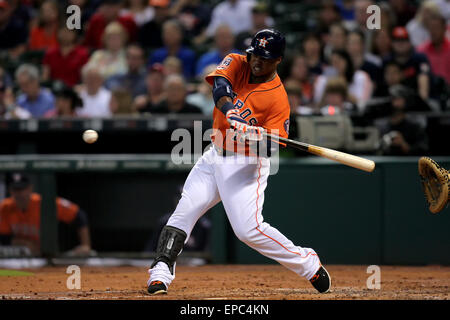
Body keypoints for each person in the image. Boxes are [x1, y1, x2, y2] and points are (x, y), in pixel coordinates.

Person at [146, 29, 331, 295]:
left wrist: (255, 137)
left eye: (265, 58)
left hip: (245, 164)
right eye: (255, 55)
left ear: (278, 60)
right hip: (215, 155)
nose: (256, 62)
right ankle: (160, 272)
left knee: (248, 231)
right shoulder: (237, 61)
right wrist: (230, 111)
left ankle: (308, 264)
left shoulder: (278, 99)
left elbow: (271, 148)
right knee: (186, 209)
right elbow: (220, 87)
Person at [0, 173, 92, 256]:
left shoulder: (44, 203)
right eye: (15, 189)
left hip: (48, 255)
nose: (20, 193)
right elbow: (4, 238)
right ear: (10, 191)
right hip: (20, 256)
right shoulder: (4, 207)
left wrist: (85, 245)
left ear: (30, 188)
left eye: (22, 189)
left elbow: (79, 215)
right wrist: (25, 243)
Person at [384, 26, 432, 100]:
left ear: (409, 42)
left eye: (403, 40)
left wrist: (422, 101)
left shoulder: (419, 59)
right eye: (397, 40)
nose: (400, 44)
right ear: (392, 43)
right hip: (393, 97)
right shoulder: (387, 60)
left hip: (415, 96)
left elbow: (424, 77)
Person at [417, 13, 450, 85]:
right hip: (429, 92)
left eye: (436, 27)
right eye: (431, 28)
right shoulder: (421, 50)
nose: (433, 31)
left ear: (444, 29)